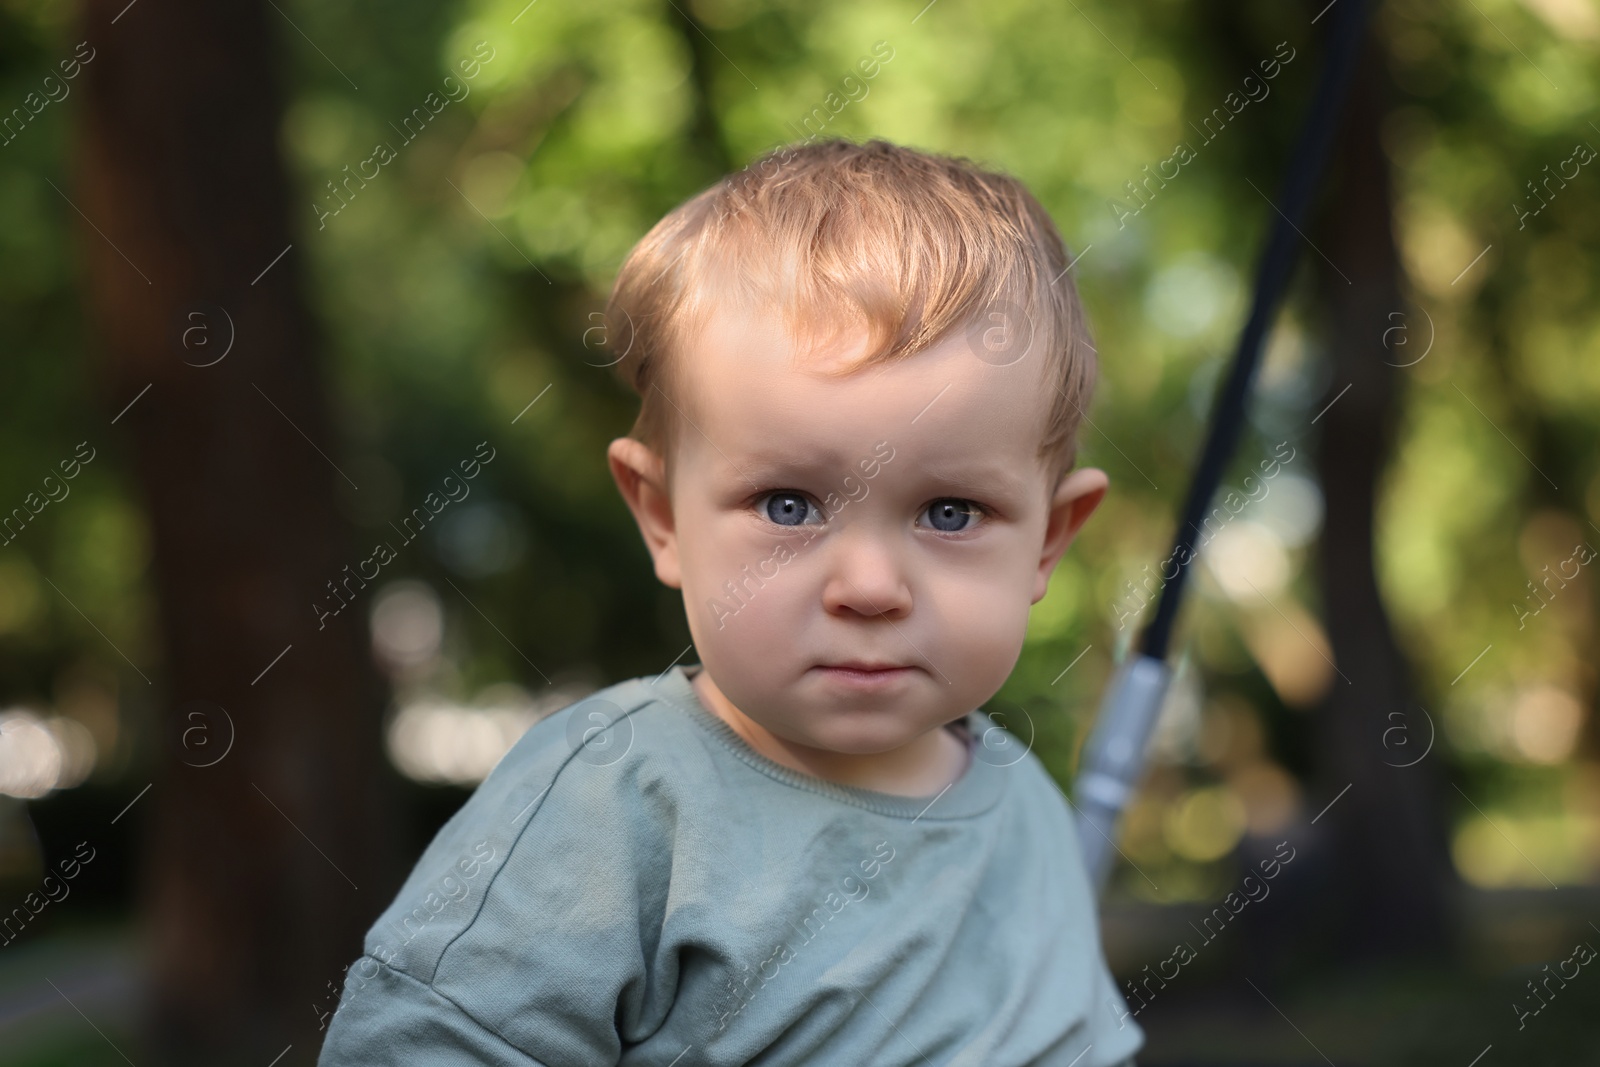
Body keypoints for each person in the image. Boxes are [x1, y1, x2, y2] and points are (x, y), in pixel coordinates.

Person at [318, 138, 1142, 1066]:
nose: (869, 586)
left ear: (1049, 539)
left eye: (951, 512)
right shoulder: (616, 800)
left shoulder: (1024, 809)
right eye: (788, 506)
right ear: (663, 515)